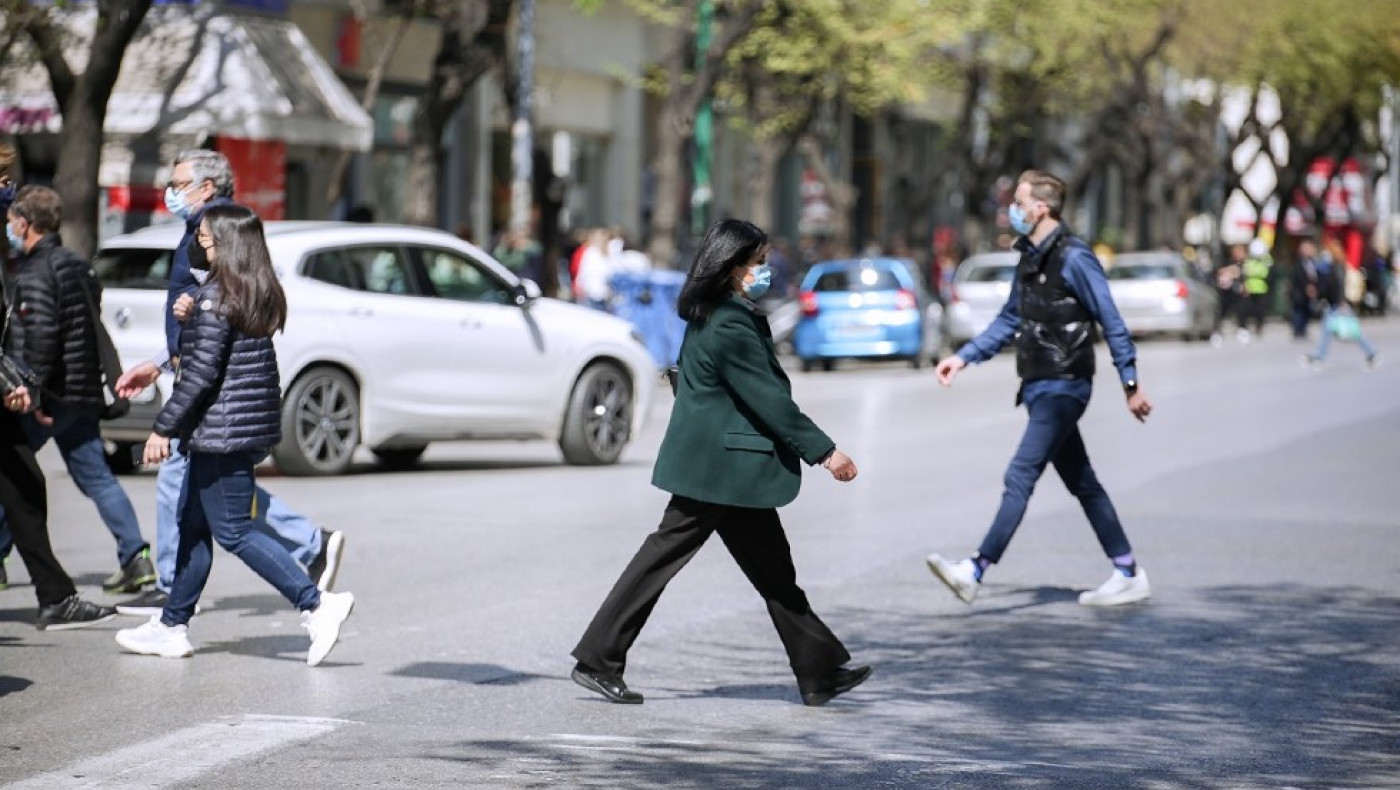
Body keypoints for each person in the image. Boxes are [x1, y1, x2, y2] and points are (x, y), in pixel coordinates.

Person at [570, 218, 871, 707]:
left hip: (730, 467)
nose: (765, 269)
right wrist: (824, 451)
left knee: (774, 571)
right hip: (718, 467)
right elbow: (768, 398)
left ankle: (819, 671)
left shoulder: (710, 312)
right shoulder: (730, 320)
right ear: (731, 267)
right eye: (758, 262)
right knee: (660, 559)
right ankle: (598, 658)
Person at [115, 205, 354, 663]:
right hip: (233, 430)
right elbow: (218, 359)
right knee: (192, 526)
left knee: (235, 532)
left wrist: (162, 428)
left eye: (203, 240)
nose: (196, 246)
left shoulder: (215, 298)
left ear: (223, 244)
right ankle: (172, 624)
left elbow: (201, 375)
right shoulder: (249, 293)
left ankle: (317, 604)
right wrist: (191, 321)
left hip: (221, 431)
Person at [926, 170, 1154, 608]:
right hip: (1038, 384)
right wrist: (964, 357)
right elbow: (1011, 319)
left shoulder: (1074, 257)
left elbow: (1111, 319)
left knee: (1020, 475)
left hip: (1065, 384)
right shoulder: (1031, 256)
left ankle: (974, 569)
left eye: (1018, 201)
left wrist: (1130, 383)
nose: (1011, 210)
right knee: (1083, 482)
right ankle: (1127, 571)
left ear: (1040, 208)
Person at [1, 186, 155, 593]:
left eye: (12, 220)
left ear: (25, 223)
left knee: (11, 473)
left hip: (47, 398)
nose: (8, 227)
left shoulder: (34, 272)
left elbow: (42, 338)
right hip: (82, 395)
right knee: (99, 480)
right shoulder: (79, 265)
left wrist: (30, 394)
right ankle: (136, 558)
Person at [2, 206, 117, 629]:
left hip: (37, 393)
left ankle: (56, 596)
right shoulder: (50, 264)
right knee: (25, 485)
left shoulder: (32, 266)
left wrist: (22, 387)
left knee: (25, 486)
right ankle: (57, 596)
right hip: (51, 391)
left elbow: (41, 333)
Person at [1303, 254, 1378, 370]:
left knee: (1353, 331)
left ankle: (1371, 352)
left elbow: (1337, 288)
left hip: (1338, 306)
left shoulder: (1334, 271)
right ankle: (1319, 356)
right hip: (1336, 305)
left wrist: (1340, 301)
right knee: (1328, 332)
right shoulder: (1335, 269)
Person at [1238, 238, 1273, 341]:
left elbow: (1267, 272)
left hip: (1261, 289)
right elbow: (1244, 273)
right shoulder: (1249, 260)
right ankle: (1243, 327)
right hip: (1249, 289)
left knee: (1260, 311)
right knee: (1245, 309)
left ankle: (1259, 326)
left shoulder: (1266, 260)